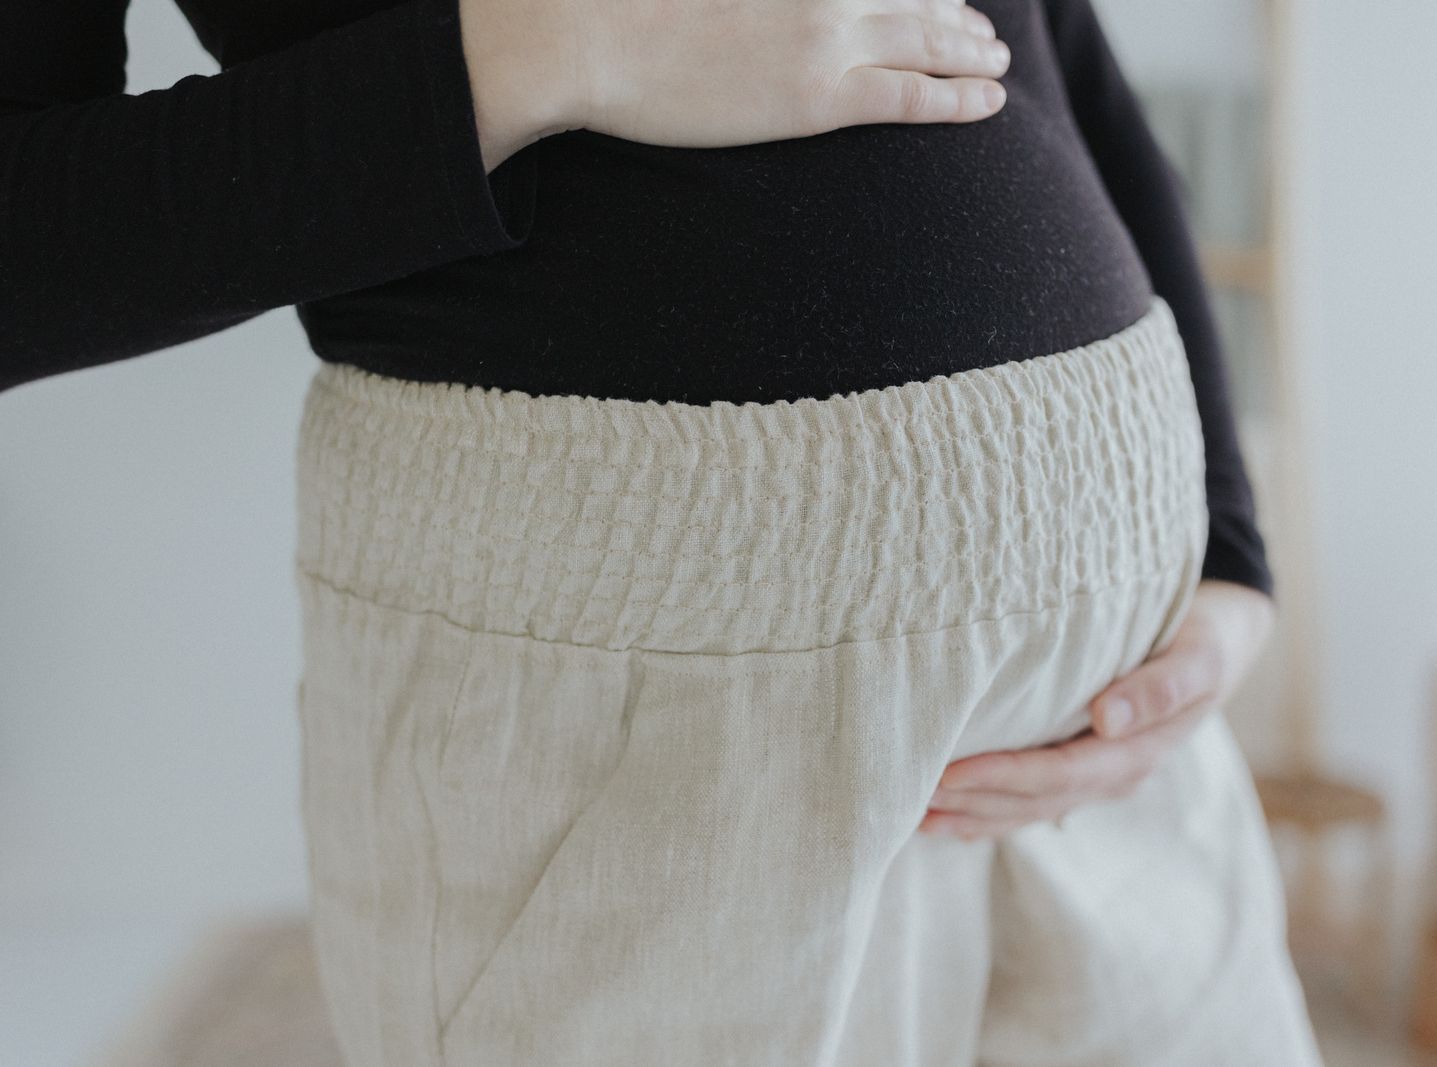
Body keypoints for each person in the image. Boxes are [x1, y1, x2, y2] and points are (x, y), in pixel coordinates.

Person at [1, 0, 1324, 1063]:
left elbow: (1058, 41)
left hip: (1109, 734)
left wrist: (1227, 550)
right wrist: (558, 47)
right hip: (634, 752)